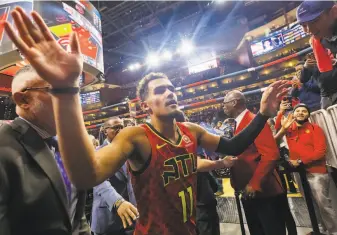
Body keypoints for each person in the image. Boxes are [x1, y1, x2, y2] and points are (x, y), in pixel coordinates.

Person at [3, 8, 289, 235]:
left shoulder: (191, 130)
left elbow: (234, 145)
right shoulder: (134, 136)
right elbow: (87, 176)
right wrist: (66, 90)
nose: (170, 93)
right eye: (160, 90)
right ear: (145, 104)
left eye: (172, 88)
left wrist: (263, 113)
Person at [0, 65, 90, 235]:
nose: (71, 100)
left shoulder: (66, 144)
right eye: (58, 91)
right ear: (23, 101)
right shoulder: (3, 149)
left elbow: (76, 212)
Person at [223, 90, 295, 235]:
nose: (223, 107)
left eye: (224, 104)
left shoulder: (252, 120)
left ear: (234, 102)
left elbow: (270, 154)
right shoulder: (241, 122)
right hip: (251, 192)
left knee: (270, 229)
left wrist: (254, 184)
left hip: (263, 191)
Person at [275, 103, 337, 235]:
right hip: (299, 173)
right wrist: (280, 112)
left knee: (323, 204)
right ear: (293, 113)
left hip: (316, 172)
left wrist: (301, 161)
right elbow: (277, 129)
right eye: (298, 111)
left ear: (308, 114)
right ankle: (319, 229)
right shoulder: (290, 129)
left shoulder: (315, 129)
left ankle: (334, 231)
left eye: (304, 111)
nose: (301, 113)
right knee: (310, 203)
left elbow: (321, 151)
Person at [91, 117, 138, 235]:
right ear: (105, 131)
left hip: (131, 217)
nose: (120, 130)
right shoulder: (98, 153)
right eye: (116, 127)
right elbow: (99, 181)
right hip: (109, 218)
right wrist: (118, 202)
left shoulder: (130, 150)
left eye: (122, 127)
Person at [297, 1, 337, 109]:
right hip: (327, 97)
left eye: (314, 21)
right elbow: (304, 78)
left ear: (334, 12)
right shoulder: (318, 41)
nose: (309, 29)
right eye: (304, 25)